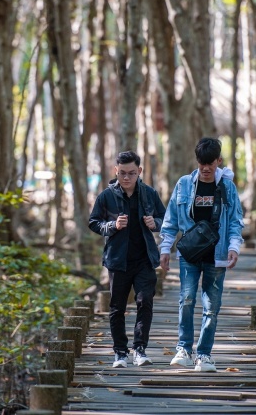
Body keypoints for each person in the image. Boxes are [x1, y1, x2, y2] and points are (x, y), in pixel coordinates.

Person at [159, 137, 244, 372]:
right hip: (190, 253)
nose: (206, 168)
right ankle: (184, 349)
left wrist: (234, 247)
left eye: (210, 163)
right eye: (201, 163)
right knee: (186, 300)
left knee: (211, 306)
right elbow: (171, 220)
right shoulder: (184, 185)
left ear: (219, 161)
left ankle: (204, 355)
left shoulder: (227, 187)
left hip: (217, 254)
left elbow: (235, 220)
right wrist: (165, 249)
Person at [89, 151, 166, 368]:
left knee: (145, 302)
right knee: (117, 307)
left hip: (145, 259)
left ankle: (140, 349)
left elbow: (165, 218)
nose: (126, 177)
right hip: (117, 260)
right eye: (122, 173)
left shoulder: (149, 193)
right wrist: (112, 226)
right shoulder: (106, 196)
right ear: (116, 171)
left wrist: (155, 223)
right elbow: (94, 222)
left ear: (139, 171)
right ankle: (120, 352)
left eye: (131, 173)